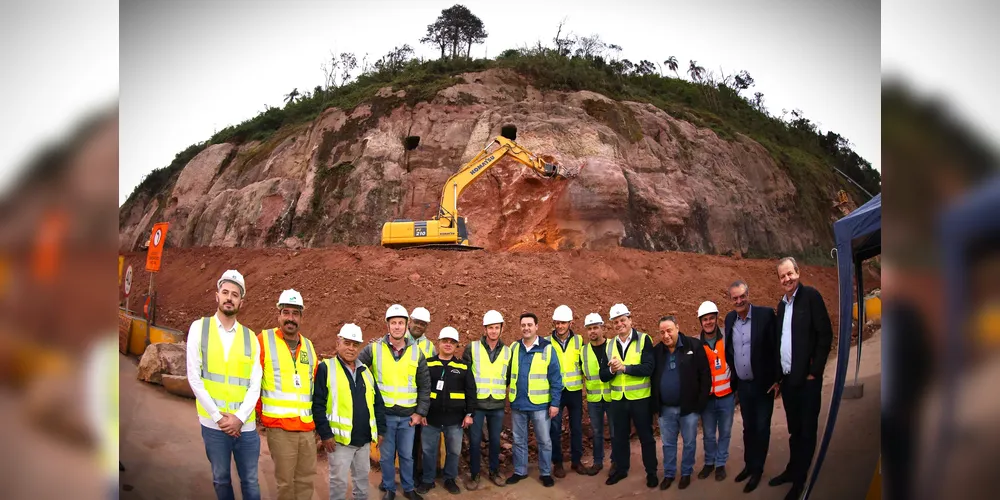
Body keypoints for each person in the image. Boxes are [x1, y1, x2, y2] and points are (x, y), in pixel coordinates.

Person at [185, 269, 262, 500]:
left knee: (250, 481)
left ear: (241, 301)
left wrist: (238, 418)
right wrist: (219, 418)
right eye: (225, 292)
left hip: (245, 426)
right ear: (216, 295)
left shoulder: (250, 337)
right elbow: (194, 377)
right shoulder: (199, 328)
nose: (229, 297)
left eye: (235, 294)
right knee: (221, 479)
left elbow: (254, 384)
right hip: (213, 424)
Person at [769, 257, 834, 500]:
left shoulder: (812, 297)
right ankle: (793, 469)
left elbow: (825, 335)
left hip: (807, 381)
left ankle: (800, 482)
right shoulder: (782, 305)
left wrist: (814, 371)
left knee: (806, 430)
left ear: (798, 272)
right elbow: (781, 341)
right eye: (782, 276)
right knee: (795, 430)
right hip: (789, 381)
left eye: (790, 274)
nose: (787, 279)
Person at [358, 304, 432, 500]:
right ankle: (390, 489)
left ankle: (408, 488)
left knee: (407, 456)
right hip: (386, 417)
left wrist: (420, 412)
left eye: (401, 323)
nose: (397, 327)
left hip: (408, 418)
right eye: (394, 323)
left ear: (406, 325)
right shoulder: (374, 349)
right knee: (387, 457)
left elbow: (425, 386)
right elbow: (356, 371)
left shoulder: (417, 353)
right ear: (387, 325)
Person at [313, 323, 388, 500]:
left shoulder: (366, 372)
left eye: (355, 344)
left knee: (362, 482)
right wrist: (324, 434)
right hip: (338, 442)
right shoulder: (326, 368)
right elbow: (318, 404)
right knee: (338, 483)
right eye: (347, 343)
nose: (351, 348)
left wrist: (381, 430)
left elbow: (377, 403)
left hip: (363, 441)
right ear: (338, 343)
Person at [256, 289, 318, 500]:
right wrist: (259, 415)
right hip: (280, 428)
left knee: (306, 481)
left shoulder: (309, 347)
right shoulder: (264, 340)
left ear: (301, 317)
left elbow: (314, 386)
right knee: (285, 484)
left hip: (306, 428)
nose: (290, 318)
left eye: (295, 313)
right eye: (286, 312)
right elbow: (253, 382)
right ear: (279, 315)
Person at [724, 280, 779, 493]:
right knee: (748, 427)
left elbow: (775, 347)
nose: (739, 301)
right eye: (735, 298)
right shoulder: (730, 319)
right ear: (731, 300)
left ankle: (757, 470)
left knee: (761, 427)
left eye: (742, 296)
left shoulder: (765, 315)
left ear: (748, 294)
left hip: (763, 384)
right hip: (743, 386)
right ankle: (749, 465)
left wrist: (777, 379)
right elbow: (730, 349)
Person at [652, 316, 711, 491]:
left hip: (689, 408)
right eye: (662, 332)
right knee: (668, 444)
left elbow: (705, 375)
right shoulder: (657, 352)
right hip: (666, 409)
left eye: (669, 330)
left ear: (678, 327)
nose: (666, 335)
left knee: (689, 442)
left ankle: (686, 473)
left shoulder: (693, 346)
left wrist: (700, 403)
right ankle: (669, 474)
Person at [415, 327, 477, 495]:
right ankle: (428, 480)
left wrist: (470, 414)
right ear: (439, 342)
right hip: (431, 419)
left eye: (452, 342)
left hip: (455, 420)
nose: (448, 344)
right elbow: (421, 389)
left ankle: (449, 479)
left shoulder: (463, 367)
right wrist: (421, 413)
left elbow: (471, 391)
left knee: (454, 451)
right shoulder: (428, 364)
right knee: (428, 451)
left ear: (457, 345)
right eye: (445, 341)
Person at [604, 303, 659, 488]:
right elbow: (603, 376)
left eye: (622, 320)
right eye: (616, 322)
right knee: (619, 438)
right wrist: (611, 370)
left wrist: (624, 368)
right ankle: (621, 469)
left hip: (640, 399)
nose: (620, 324)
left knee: (646, 437)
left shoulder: (644, 340)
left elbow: (649, 367)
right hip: (618, 400)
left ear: (630, 320)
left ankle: (651, 472)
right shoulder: (610, 344)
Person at [505, 312, 563, 488]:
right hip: (518, 403)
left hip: (539, 405)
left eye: (530, 324)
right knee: (518, 439)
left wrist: (554, 403)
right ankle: (520, 471)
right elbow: (507, 374)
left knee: (544, 440)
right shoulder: (514, 348)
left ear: (537, 327)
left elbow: (556, 379)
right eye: (523, 325)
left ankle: (545, 473)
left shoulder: (547, 348)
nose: (526, 328)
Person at [461, 310, 511, 490]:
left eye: (497, 328)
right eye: (490, 328)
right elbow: (465, 376)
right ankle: (474, 474)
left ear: (501, 329)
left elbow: (508, 376)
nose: (493, 331)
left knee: (495, 442)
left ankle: (494, 471)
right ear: (484, 329)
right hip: (478, 405)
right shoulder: (472, 348)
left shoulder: (507, 351)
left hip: (497, 404)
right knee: (475, 441)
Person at [696, 301, 736, 483]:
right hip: (708, 399)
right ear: (700, 322)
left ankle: (720, 464)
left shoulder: (728, 338)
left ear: (716, 318)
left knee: (725, 432)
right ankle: (709, 462)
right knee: (709, 434)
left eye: (712, 318)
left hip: (727, 396)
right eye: (705, 319)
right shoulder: (697, 344)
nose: (709, 322)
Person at [547, 304, 586, 477]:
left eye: (563, 323)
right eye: (557, 323)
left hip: (575, 391)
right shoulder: (546, 342)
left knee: (576, 427)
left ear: (570, 322)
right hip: (555, 392)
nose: (560, 326)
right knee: (554, 429)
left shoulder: (579, 341)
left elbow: (584, 365)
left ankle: (576, 461)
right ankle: (558, 463)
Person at [579, 312, 615, 476]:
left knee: (615, 430)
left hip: (612, 396)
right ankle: (598, 462)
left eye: (595, 327)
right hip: (594, 399)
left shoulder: (612, 346)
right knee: (597, 431)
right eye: (589, 328)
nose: (592, 331)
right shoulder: (583, 351)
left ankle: (616, 461)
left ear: (602, 328)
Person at [406, 306, 435, 484]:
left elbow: (429, 378)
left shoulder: (429, 346)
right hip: (398, 401)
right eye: (417, 322)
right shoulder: (398, 339)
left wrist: (423, 408)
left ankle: (413, 475)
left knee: (415, 442)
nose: (419, 326)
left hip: (418, 404)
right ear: (410, 321)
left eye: (423, 324)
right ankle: (391, 476)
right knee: (394, 443)